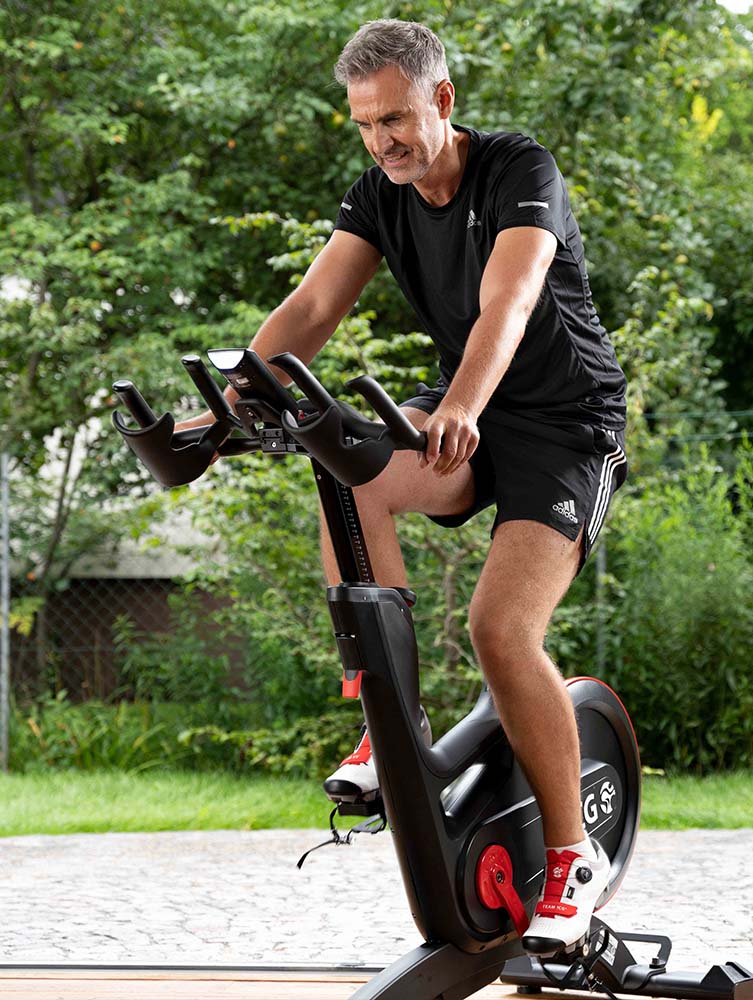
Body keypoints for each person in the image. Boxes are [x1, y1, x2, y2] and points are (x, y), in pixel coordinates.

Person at [179, 19, 628, 955]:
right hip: (465, 410)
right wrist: (226, 412)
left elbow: (510, 299)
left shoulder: (519, 170)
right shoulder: (377, 197)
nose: (380, 140)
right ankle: (394, 725)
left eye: (394, 119)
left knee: (500, 629)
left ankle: (572, 856)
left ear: (442, 100)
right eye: (363, 124)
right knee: (350, 474)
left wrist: (461, 402)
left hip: (564, 426)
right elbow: (312, 306)